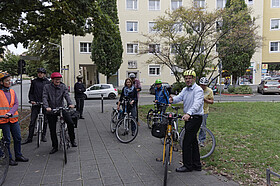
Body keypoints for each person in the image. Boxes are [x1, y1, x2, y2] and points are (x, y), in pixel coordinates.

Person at [169, 70, 204, 172]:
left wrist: (189, 113)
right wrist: (173, 100)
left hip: (195, 118)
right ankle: (197, 165)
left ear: (194, 79)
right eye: (186, 78)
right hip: (189, 118)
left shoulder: (198, 90)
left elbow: (197, 104)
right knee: (193, 141)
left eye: (190, 78)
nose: (188, 80)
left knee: (186, 142)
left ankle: (187, 166)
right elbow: (179, 97)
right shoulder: (185, 89)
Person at [43, 72, 77, 154]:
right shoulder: (47, 87)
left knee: (70, 122)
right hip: (51, 109)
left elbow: (66, 95)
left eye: (59, 79)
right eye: (56, 80)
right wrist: (47, 107)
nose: (58, 81)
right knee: (52, 128)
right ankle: (55, 146)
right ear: (52, 80)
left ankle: (72, 140)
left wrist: (70, 104)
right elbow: (44, 97)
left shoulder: (63, 86)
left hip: (61, 108)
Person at [0, 72, 29, 166]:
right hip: (3, 121)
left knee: (18, 138)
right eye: (7, 81)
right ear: (1, 82)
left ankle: (18, 155)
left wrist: (10, 113)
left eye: (9, 80)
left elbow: (16, 104)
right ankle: (9, 159)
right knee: (7, 140)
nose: (9, 82)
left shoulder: (12, 91)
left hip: (13, 119)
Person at [22, 68, 50, 145]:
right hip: (36, 104)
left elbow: (49, 94)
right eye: (38, 73)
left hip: (45, 104)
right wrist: (31, 100)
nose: (40, 74)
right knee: (32, 121)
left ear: (44, 74)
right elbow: (31, 92)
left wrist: (48, 102)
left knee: (45, 120)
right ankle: (29, 138)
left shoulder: (47, 82)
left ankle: (43, 136)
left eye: (41, 73)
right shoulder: (34, 82)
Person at [198, 77, 214, 147]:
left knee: (203, 126)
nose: (203, 86)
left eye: (204, 85)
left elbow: (212, 101)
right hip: (196, 111)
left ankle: (202, 140)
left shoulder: (209, 91)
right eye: (201, 85)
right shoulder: (197, 90)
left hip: (204, 111)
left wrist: (205, 100)